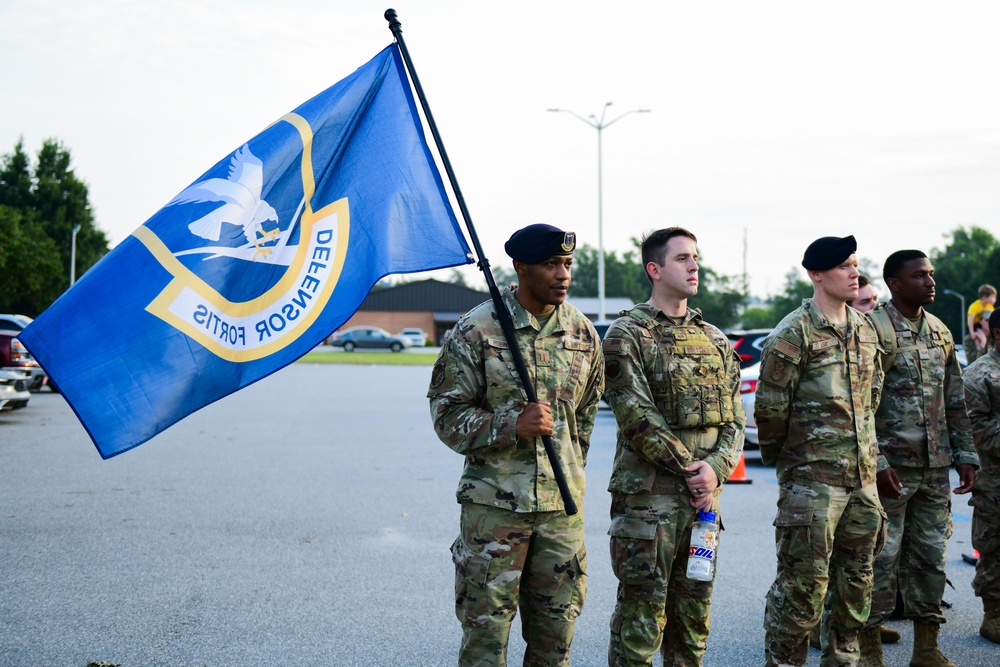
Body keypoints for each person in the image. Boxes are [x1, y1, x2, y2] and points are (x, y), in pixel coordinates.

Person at [427, 223, 605, 667]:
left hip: (561, 515)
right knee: (485, 643)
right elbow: (446, 417)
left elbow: (582, 421)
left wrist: (568, 470)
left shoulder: (582, 335)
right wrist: (511, 425)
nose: (563, 274)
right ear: (520, 267)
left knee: (556, 643)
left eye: (567, 264)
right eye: (551, 264)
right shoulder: (478, 329)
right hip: (494, 515)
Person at [602, 227, 745, 667]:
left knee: (693, 617)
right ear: (655, 269)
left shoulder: (716, 340)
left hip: (704, 507)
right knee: (642, 619)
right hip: (650, 504)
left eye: (695, 257)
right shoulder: (626, 335)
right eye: (682, 258)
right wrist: (694, 472)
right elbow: (638, 417)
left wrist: (716, 470)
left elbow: (735, 419)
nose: (694, 265)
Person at [755, 235, 886, 667]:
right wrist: (793, 466)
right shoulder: (794, 333)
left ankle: (843, 660)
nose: (854, 273)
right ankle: (784, 661)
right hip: (812, 485)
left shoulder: (865, 329)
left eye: (856, 264)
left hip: (862, 485)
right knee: (802, 589)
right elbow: (771, 410)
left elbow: (873, 398)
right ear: (816, 274)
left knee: (856, 585)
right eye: (845, 266)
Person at [861, 250, 979, 667]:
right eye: (919, 276)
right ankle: (870, 648)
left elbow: (955, 402)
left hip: (934, 469)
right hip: (890, 469)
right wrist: (876, 464)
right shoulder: (873, 330)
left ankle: (926, 648)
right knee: (880, 558)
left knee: (931, 557)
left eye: (931, 274)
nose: (930, 282)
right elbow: (859, 406)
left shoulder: (940, 331)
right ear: (895, 283)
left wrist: (965, 455)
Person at [963, 307, 1000, 645]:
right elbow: (979, 429)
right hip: (995, 481)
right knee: (994, 549)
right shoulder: (979, 375)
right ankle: (994, 616)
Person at [965, 284, 997, 364]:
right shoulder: (970, 340)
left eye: (992, 320)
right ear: (981, 321)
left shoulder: (996, 338)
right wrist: (982, 344)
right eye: (987, 320)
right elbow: (972, 364)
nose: (991, 323)